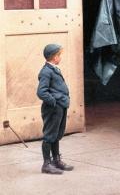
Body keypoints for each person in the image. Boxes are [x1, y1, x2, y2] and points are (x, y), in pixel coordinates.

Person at [36, 43, 73, 175]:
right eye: (59, 55)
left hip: (61, 106)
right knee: (49, 135)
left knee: (56, 134)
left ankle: (56, 160)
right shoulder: (46, 71)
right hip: (53, 108)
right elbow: (41, 92)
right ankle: (46, 164)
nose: (60, 57)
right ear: (54, 57)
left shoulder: (54, 69)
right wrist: (54, 101)